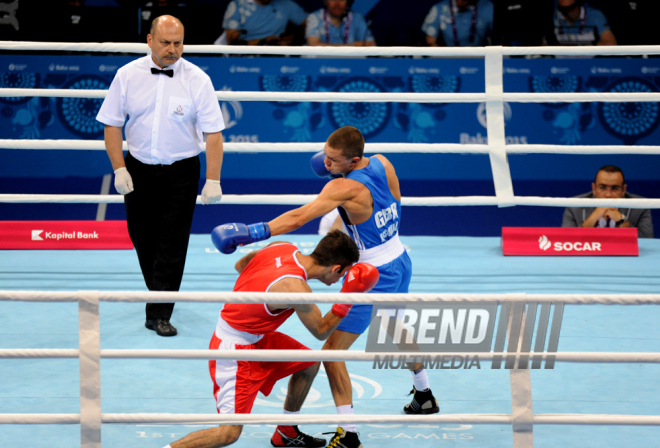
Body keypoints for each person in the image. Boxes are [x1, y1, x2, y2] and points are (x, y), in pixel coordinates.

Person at [212, 126, 439, 448]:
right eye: (326, 156)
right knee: (393, 323)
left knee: (331, 353)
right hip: (399, 259)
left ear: (354, 159)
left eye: (333, 160)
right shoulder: (383, 163)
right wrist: (355, 223)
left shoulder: (344, 188)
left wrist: (251, 232)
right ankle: (424, 394)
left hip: (373, 270)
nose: (325, 164)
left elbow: (297, 218)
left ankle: (348, 434)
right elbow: (396, 204)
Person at [163, 230, 379, 448]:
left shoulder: (281, 247)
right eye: (343, 275)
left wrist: (255, 299)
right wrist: (348, 297)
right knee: (228, 434)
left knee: (309, 362)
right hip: (233, 350)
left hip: (257, 337)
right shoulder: (296, 289)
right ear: (336, 268)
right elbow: (321, 331)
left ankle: (286, 431)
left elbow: (241, 265)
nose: (341, 279)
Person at [96, 15, 225, 337]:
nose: (172, 49)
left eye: (178, 43)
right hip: (138, 167)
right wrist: (119, 168)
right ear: (149, 40)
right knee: (143, 239)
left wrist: (213, 178)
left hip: (182, 170)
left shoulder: (198, 79)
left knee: (172, 243)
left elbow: (214, 134)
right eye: (165, 42)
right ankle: (160, 291)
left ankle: (159, 312)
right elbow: (112, 124)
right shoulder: (127, 75)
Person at [562, 165, 653, 238]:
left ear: (623, 190)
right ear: (594, 189)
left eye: (615, 188)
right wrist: (592, 219)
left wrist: (622, 221)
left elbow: (648, 241)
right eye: (602, 187)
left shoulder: (640, 206)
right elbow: (565, 240)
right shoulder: (574, 205)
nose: (608, 195)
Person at [217, 0, 307, 46]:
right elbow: (233, 42)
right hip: (243, 57)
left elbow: (309, 24)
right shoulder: (237, 5)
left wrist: (292, 37)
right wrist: (263, 41)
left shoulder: (286, 4)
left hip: (276, 55)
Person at [421, 0, 494, 47]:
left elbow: (501, 38)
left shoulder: (487, 7)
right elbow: (430, 41)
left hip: (479, 57)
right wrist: (443, 59)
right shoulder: (439, 8)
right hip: (450, 57)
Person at [305, 0, 376, 47]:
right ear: (325, 1)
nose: (337, 4)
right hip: (321, 64)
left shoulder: (357, 18)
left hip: (350, 64)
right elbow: (313, 45)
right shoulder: (315, 17)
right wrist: (351, 46)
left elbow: (371, 45)